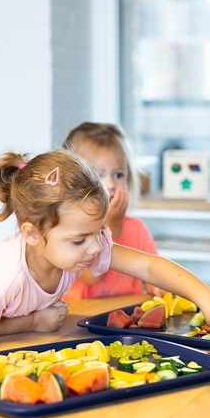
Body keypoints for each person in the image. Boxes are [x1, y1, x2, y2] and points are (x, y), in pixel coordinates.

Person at [0, 149, 210, 354]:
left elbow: (149, 268)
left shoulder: (75, 245)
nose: (96, 247)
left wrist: (208, 299)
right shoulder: (4, 274)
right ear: (33, 234)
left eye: (99, 232)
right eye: (80, 239)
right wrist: (34, 321)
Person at [60, 122, 164, 300]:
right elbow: (91, 277)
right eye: (98, 175)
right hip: (81, 318)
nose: (110, 185)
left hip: (125, 319)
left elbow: (153, 274)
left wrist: (156, 285)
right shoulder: (71, 233)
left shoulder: (137, 229)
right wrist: (111, 228)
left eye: (118, 175)